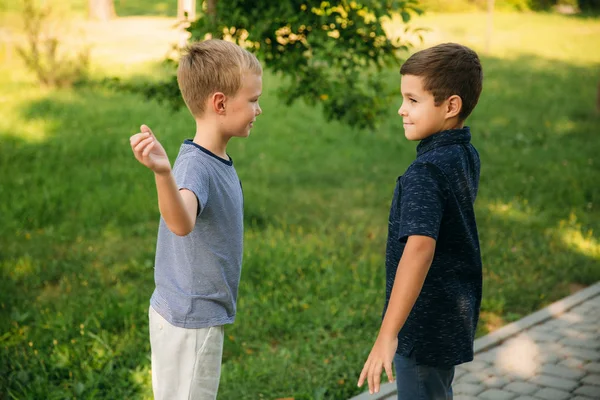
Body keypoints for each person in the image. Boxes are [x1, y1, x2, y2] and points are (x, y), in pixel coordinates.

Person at [129, 39, 262, 400]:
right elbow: (181, 221)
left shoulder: (211, 157)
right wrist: (162, 174)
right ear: (220, 103)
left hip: (188, 314)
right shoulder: (194, 166)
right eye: (252, 100)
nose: (258, 109)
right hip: (191, 319)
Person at [357, 42, 484, 399]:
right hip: (447, 316)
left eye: (413, 100)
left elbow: (419, 250)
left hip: (423, 327)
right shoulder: (463, 153)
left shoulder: (426, 172)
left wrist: (388, 333)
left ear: (451, 106)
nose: (401, 110)